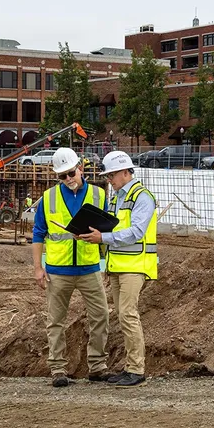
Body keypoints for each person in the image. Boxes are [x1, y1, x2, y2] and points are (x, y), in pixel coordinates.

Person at [31, 147, 114, 387]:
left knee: (100, 317)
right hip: (58, 270)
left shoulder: (99, 195)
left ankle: (97, 367)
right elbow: (38, 234)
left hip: (89, 267)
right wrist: (38, 268)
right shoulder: (49, 198)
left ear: (80, 168)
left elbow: (107, 231)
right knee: (56, 320)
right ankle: (58, 369)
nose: (68, 179)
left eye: (70, 173)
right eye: (62, 176)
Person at [78, 150, 158, 387]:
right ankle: (130, 367)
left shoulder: (142, 197)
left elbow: (136, 232)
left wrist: (102, 237)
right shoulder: (116, 198)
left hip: (135, 265)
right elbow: (113, 228)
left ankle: (136, 369)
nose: (109, 180)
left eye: (112, 175)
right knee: (123, 317)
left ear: (125, 172)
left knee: (128, 315)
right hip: (117, 265)